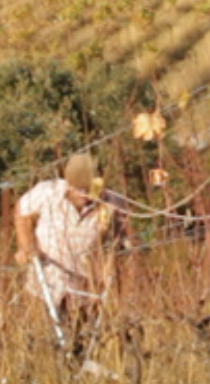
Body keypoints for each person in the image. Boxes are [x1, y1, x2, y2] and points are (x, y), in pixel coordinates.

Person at [14, 152, 130, 359]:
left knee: (81, 342)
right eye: (79, 190)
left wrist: (109, 272)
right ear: (69, 184)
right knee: (45, 338)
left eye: (92, 189)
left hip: (85, 286)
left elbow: (116, 243)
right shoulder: (47, 192)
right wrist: (26, 247)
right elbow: (22, 214)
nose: (85, 195)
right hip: (46, 279)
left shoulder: (112, 205)